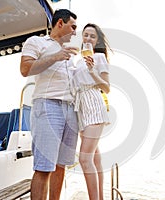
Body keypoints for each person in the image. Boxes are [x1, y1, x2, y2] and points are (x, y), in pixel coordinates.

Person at [20, 9, 79, 200]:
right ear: (60, 23)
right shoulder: (36, 42)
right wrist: (55, 56)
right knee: (44, 167)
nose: (75, 32)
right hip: (47, 107)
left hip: (71, 110)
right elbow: (25, 69)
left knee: (61, 166)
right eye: (73, 27)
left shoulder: (71, 55)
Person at [73, 23, 111, 200]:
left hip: (94, 104)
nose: (88, 38)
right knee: (95, 159)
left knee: (84, 159)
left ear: (97, 40)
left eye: (92, 36)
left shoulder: (99, 57)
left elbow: (107, 87)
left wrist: (92, 71)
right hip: (81, 108)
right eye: (86, 35)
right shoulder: (78, 60)